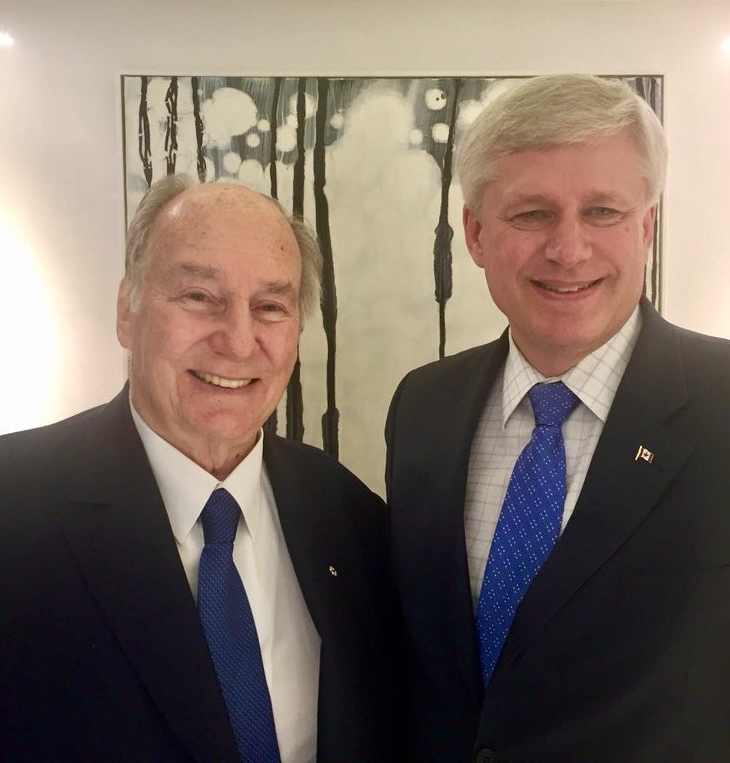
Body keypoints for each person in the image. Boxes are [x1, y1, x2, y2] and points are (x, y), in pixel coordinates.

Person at [385, 74, 730, 763]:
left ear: (646, 227)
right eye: (532, 214)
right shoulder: (423, 406)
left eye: (602, 211)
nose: (568, 250)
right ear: (477, 234)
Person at [0, 176, 401, 763]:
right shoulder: (15, 503)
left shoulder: (348, 514)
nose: (239, 342)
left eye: (269, 307)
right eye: (198, 297)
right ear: (126, 312)